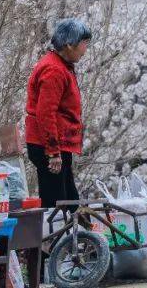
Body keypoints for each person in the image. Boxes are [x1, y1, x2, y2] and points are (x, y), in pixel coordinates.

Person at [26, 17, 91, 208]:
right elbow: (45, 113)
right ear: (69, 45)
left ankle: (73, 235)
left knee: (70, 198)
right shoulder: (53, 70)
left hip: (59, 144)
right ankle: (55, 237)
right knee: (57, 202)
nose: (85, 50)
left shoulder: (62, 66)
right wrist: (53, 152)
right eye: (83, 44)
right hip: (49, 145)